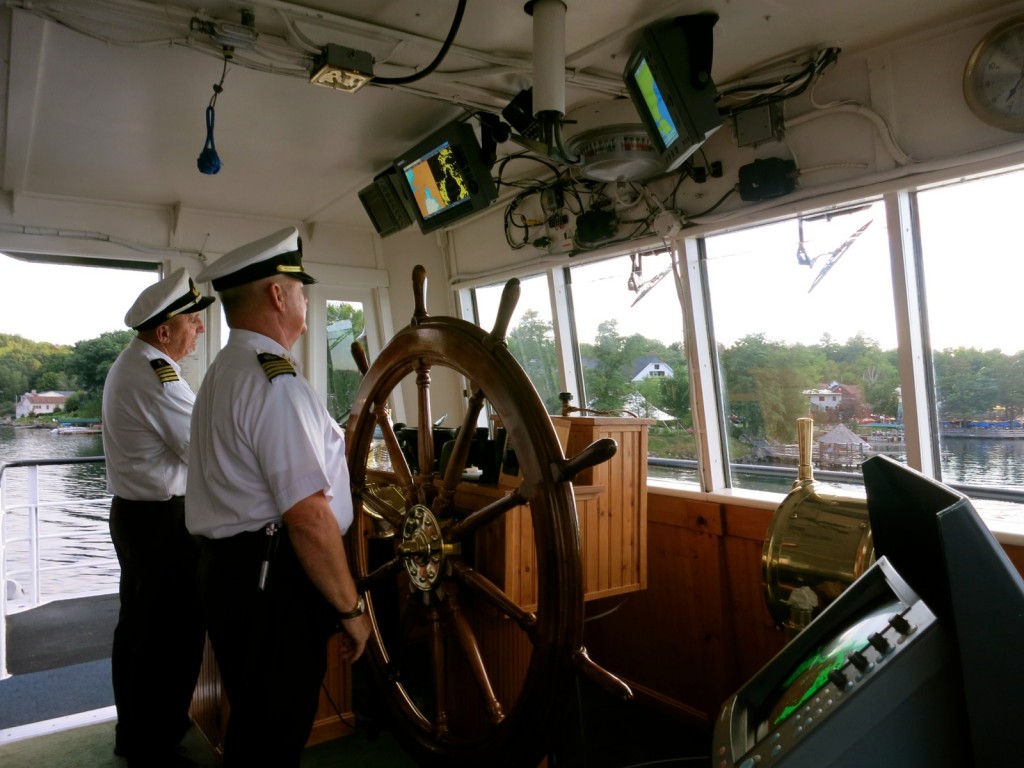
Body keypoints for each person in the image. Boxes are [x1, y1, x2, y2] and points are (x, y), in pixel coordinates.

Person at [186, 227, 371, 767]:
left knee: (256, 717)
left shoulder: (224, 372)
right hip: (271, 579)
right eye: (300, 288)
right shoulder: (276, 382)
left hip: (230, 572)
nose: (305, 300)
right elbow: (309, 516)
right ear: (277, 295)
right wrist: (351, 608)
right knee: (276, 728)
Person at [102, 267, 215, 767]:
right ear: (163, 330)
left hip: (141, 517)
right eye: (192, 321)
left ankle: (143, 732)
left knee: (142, 630)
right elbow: (201, 448)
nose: (201, 329)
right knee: (167, 636)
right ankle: (151, 744)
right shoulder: (155, 374)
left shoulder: (137, 364)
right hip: (159, 523)